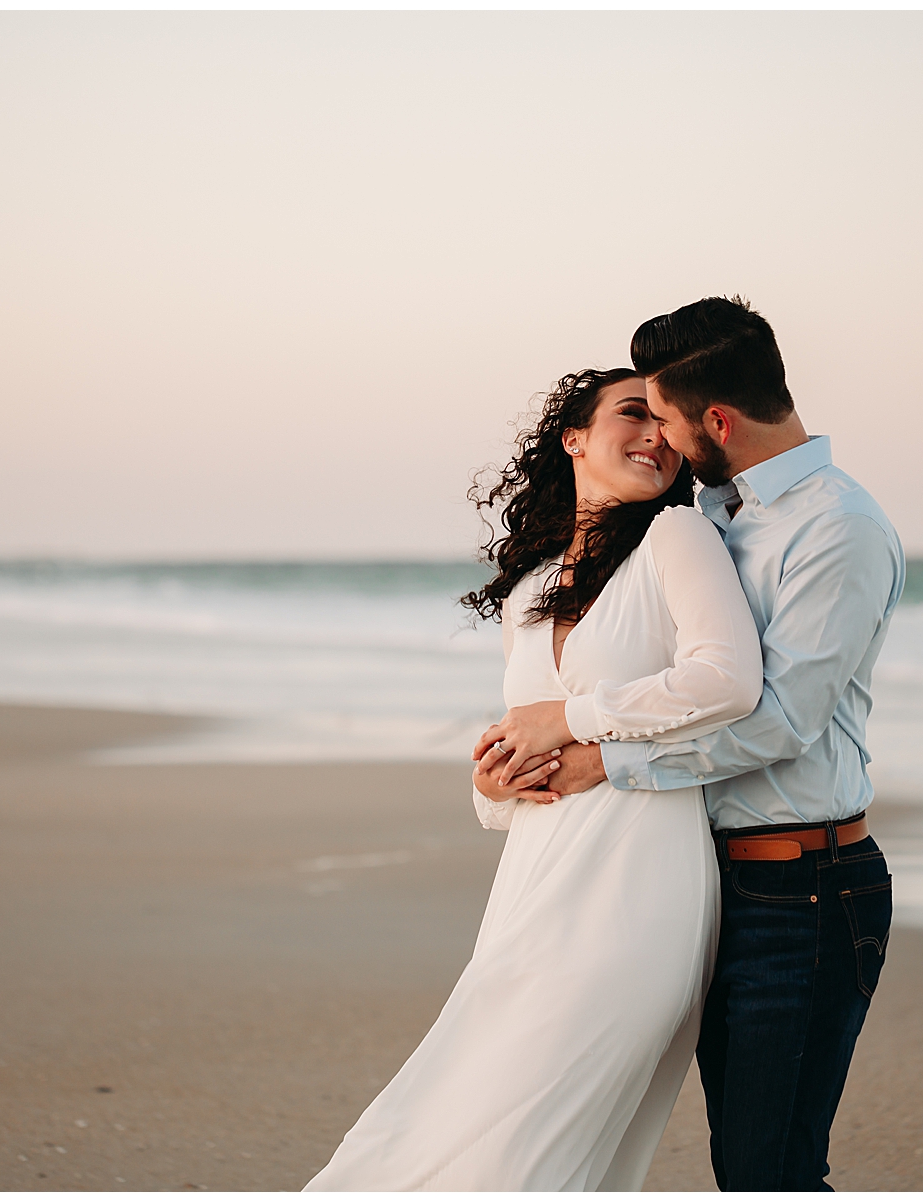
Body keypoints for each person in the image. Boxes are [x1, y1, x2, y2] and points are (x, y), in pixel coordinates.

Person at [303, 368, 763, 1191]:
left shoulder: (678, 538)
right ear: (574, 438)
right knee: (461, 1103)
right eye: (633, 414)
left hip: (637, 888)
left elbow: (726, 681)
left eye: (666, 421)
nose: (656, 434)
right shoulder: (529, 591)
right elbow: (521, 770)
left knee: (532, 1128)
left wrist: (573, 719)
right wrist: (491, 784)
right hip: (532, 885)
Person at [540, 297, 906, 1191]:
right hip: (706, 882)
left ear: (716, 420)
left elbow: (779, 722)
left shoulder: (838, 530)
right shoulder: (708, 513)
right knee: (741, 1164)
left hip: (803, 896)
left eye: (662, 416)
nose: (656, 438)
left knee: (768, 1173)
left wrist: (603, 758)